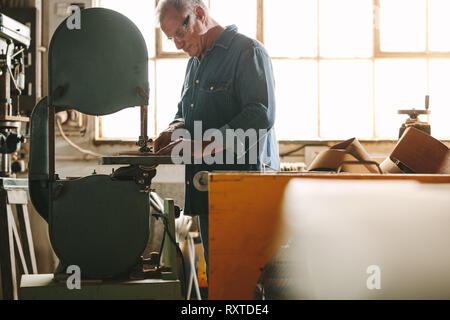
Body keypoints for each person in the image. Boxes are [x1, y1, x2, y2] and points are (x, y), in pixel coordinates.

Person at [154, 0, 280, 276]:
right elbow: (184, 112)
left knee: (241, 285)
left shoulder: (247, 52)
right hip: (210, 190)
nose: (177, 44)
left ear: (199, 13)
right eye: (170, 37)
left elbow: (260, 116)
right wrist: (174, 129)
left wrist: (199, 148)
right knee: (222, 280)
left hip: (243, 190)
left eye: (179, 33)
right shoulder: (195, 64)